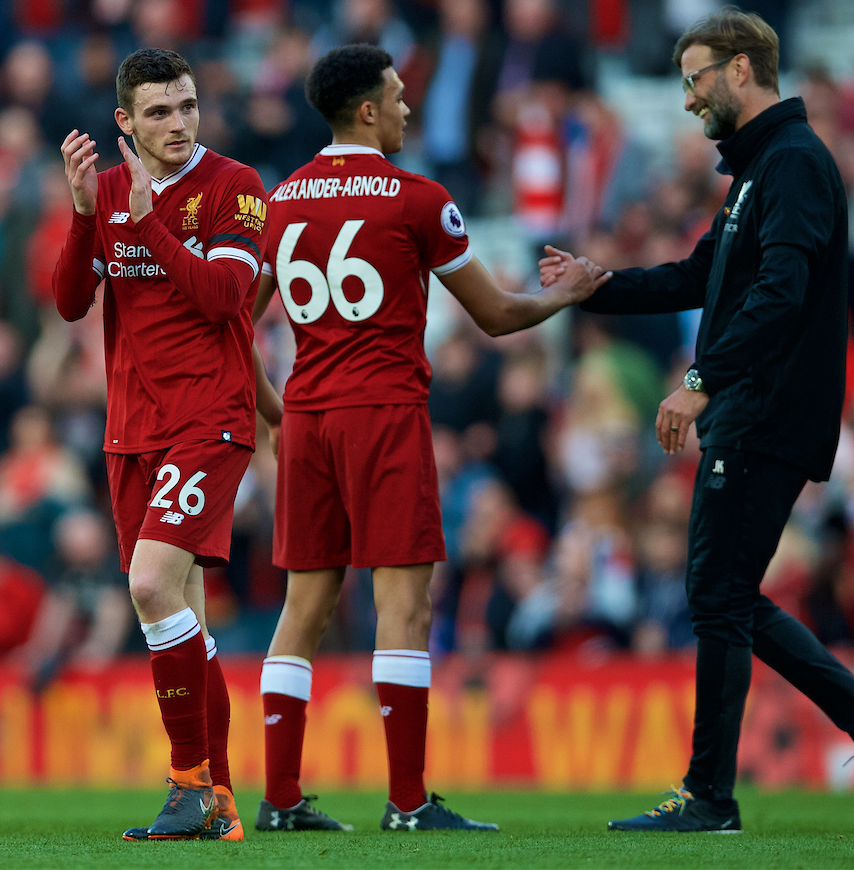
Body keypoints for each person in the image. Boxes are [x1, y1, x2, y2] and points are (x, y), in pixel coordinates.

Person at [541, 8, 854, 835]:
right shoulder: (762, 170)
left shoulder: (792, 164)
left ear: (743, 69)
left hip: (764, 411)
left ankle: (717, 794)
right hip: (758, 409)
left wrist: (700, 380)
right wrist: (600, 284)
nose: (687, 100)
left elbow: (781, 293)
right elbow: (701, 275)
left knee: (716, 596)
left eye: (695, 78)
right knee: (720, 594)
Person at [253, 43, 608, 834]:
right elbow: (496, 315)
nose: (410, 107)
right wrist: (569, 294)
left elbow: (230, 329)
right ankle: (408, 802)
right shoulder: (417, 200)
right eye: (399, 94)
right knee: (404, 607)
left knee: (302, 608)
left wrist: (276, 415)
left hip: (309, 418)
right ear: (368, 110)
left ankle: (278, 800)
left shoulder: (280, 202)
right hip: (383, 412)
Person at [53, 47, 284, 842]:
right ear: (126, 121)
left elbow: (227, 295)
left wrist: (151, 221)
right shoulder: (109, 191)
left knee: (150, 585)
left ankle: (186, 784)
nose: (178, 122)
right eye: (158, 111)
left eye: (186, 105)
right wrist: (87, 214)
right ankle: (219, 804)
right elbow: (68, 302)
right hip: (132, 428)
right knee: (179, 615)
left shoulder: (237, 188)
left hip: (209, 416)